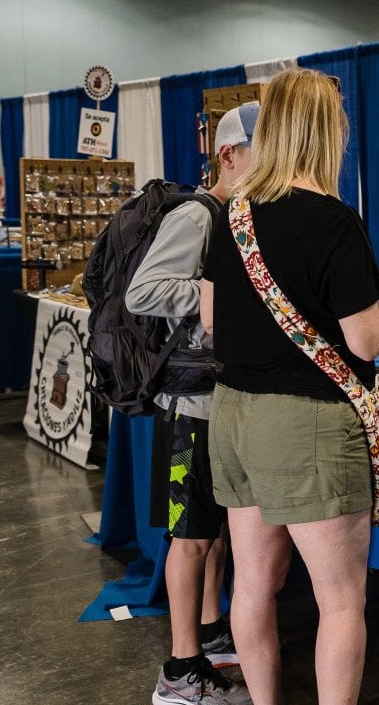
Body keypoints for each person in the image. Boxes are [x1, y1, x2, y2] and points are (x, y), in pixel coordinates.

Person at [200, 67, 379, 705]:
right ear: (327, 132)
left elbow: (208, 318)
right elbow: (364, 343)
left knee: (253, 584)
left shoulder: (231, 214)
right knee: (340, 602)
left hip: (233, 416)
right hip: (306, 423)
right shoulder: (333, 221)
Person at [127, 103, 260, 705]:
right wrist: (218, 294)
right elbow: (143, 291)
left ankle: (208, 634)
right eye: (263, 149)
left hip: (216, 394)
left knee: (214, 532)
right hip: (189, 400)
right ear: (229, 154)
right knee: (191, 538)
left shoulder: (236, 215)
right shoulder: (196, 214)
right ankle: (181, 672)